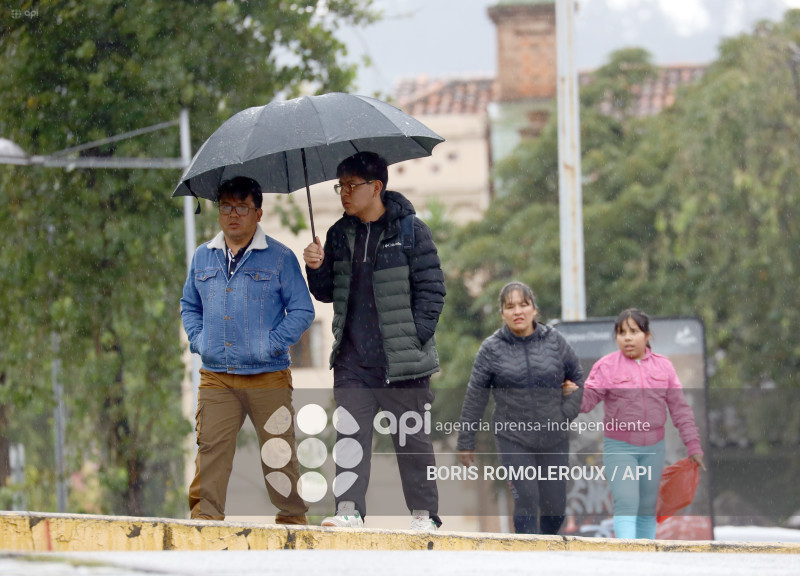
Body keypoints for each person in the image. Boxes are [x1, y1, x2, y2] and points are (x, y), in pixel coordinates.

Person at [302, 151, 445, 532]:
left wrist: (414, 339)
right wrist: (315, 268)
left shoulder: (411, 231)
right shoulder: (338, 234)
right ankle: (349, 509)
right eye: (340, 186)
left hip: (401, 361)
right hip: (353, 360)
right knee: (349, 436)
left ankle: (423, 515)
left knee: (412, 440)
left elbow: (433, 292)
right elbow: (328, 292)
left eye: (351, 186)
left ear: (376, 187)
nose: (344, 194)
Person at [180, 176, 314, 524]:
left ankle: (293, 525)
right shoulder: (203, 257)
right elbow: (189, 305)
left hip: (267, 376)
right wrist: (199, 339)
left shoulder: (279, 258)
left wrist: (269, 344)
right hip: (217, 378)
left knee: (278, 454)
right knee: (210, 451)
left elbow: (303, 311)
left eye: (242, 207)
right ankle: (205, 524)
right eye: (226, 207)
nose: (233, 214)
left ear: (258, 213)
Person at [563, 308, 706, 539]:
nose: (627, 337)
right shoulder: (606, 366)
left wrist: (694, 446)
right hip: (620, 448)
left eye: (633, 331)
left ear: (647, 335)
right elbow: (588, 402)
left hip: (654, 449)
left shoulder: (664, 367)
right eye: (621, 333)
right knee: (627, 502)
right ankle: (628, 559)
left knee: (647, 509)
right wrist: (573, 394)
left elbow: (680, 409)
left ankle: (644, 560)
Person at [457, 281, 584, 535]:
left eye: (524, 305)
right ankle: (527, 556)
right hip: (513, 438)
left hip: (554, 436)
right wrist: (466, 440)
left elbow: (579, 378)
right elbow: (475, 396)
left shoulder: (554, 341)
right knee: (526, 498)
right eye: (510, 306)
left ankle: (545, 551)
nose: (518, 311)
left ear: (534, 310)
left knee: (555, 508)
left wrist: (565, 413)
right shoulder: (491, 349)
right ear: (502, 313)